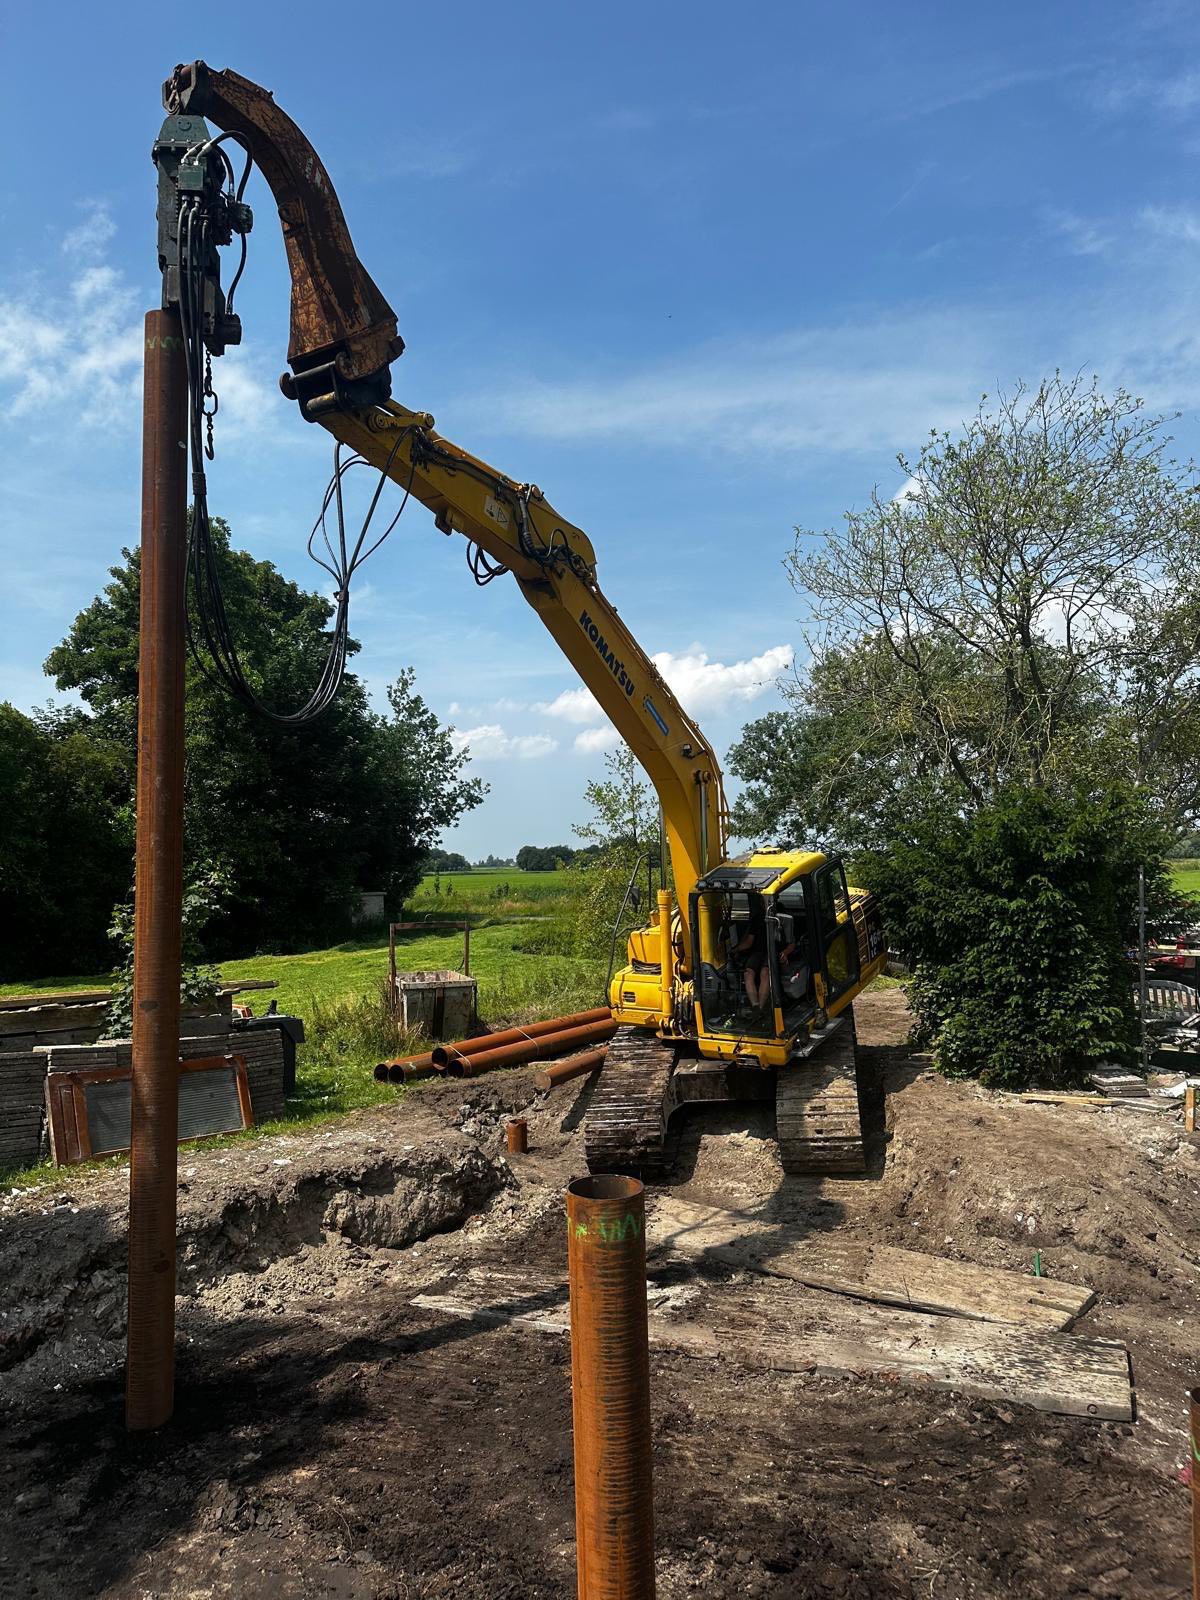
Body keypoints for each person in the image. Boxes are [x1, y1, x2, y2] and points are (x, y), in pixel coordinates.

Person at [733, 912, 770, 1010]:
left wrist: (735, 949)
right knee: (748, 973)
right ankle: (755, 1005)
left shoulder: (779, 915)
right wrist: (735, 950)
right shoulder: (757, 918)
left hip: (772, 951)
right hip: (757, 953)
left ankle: (761, 1007)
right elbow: (749, 942)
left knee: (765, 972)